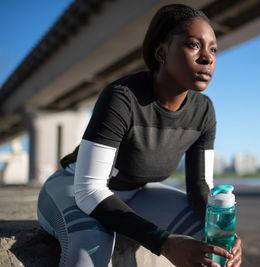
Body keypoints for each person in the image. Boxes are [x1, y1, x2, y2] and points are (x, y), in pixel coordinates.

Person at [37, 3, 242, 267]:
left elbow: (199, 187)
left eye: (213, 49)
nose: (208, 57)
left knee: (214, 240)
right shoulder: (122, 97)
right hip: (72, 188)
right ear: (162, 52)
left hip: (136, 194)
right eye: (194, 45)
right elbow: (89, 191)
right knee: (92, 243)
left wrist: (226, 235)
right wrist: (165, 243)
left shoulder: (203, 111)